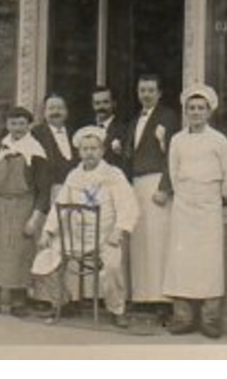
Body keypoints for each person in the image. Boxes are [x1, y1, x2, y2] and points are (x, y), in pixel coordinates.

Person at [31, 125, 139, 328]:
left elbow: (128, 204)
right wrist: (47, 231)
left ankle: (116, 309)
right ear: (79, 152)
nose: (89, 153)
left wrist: (120, 229)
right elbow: (60, 206)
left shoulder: (113, 174)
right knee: (45, 258)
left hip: (105, 235)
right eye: (85, 149)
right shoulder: (74, 176)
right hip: (76, 235)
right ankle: (63, 300)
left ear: (102, 150)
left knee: (113, 266)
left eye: (94, 148)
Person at [163, 84, 227, 338]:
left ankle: (210, 319)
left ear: (209, 112)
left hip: (209, 206)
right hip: (184, 204)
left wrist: (220, 194)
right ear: (185, 111)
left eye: (200, 108)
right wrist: (184, 193)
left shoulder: (219, 140)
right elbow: (173, 171)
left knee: (209, 262)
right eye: (191, 108)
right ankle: (183, 316)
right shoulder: (177, 140)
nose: (196, 113)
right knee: (181, 261)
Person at [0, 106, 50, 317]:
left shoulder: (36, 151)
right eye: (13, 123)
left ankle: (18, 302)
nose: (17, 128)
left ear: (29, 126)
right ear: (7, 125)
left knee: (20, 253)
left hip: (22, 204)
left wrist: (35, 217)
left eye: (22, 124)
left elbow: (44, 189)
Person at [123, 73, 179, 309]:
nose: (145, 95)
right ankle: (141, 295)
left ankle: (161, 299)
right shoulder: (135, 120)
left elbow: (173, 155)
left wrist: (165, 187)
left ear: (159, 93)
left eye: (150, 90)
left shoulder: (168, 116)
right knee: (139, 240)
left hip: (157, 183)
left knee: (158, 240)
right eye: (142, 90)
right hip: (137, 183)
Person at [31, 93, 77, 210]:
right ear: (44, 112)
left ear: (66, 111)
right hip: (47, 196)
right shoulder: (36, 134)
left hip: (74, 193)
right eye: (51, 108)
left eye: (60, 108)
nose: (56, 112)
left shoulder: (75, 133)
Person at [91, 85, 128, 169]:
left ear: (114, 103)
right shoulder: (87, 130)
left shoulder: (124, 130)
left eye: (105, 102)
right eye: (97, 103)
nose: (101, 107)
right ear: (92, 105)